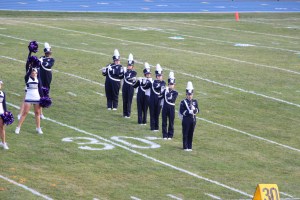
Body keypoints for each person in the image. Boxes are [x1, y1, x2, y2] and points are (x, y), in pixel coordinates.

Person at [15, 68, 44, 134]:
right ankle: (18, 127)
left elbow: (40, 89)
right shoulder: (27, 78)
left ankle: (38, 128)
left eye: (35, 73)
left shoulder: (38, 79)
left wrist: (43, 98)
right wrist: (31, 64)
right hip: (29, 97)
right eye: (32, 73)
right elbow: (27, 74)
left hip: (37, 98)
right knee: (25, 113)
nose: (34, 74)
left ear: (37, 74)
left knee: (37, 113)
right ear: (30, 73)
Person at [144, 64, 166, 131]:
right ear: (156, 76)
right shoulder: (152, 82)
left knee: (157, 113)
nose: (160, 77)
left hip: (159, 99)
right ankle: (152, 127)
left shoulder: (163, 83)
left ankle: (156, 127)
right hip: (152, 99)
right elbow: (147, 87)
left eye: (160, 76)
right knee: (152, 113)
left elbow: (160, 87)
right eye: (158, 76)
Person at [179, 81, 199, 151]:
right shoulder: (183, 102)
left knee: (191, 133)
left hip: (193, 120)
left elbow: (198, 110)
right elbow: (182, 112)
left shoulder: (195, 101)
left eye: (191, 94)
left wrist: (195, 110)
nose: (190, 96)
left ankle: (190, 146)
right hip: (186, 120)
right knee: (185, 133)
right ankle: (185, 147)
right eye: (188, 94)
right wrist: (189, 111)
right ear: (186, 94)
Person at [38, 42, 55, 119]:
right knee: (41, 88)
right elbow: (38, 64)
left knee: (47, 87)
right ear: (45, 52)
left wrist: (42, 62)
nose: (48, 54)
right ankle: (41, 101)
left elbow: (48, 65)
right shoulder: (41, 58)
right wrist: (42, 61)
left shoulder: (52, 59)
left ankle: (46, 100)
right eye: (47, 52)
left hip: (48, 75)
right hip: (41, 74)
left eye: (49, 52)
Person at [161, 72, 178, 140]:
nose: (171, 85)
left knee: (171, 122)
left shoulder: (175, 92)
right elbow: (160, 97)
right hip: (165, 107)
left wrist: (167, 92)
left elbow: (172, 99)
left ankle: (170, 135)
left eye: (172, 84)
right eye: (170, 84)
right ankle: (165, 135)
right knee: (164, 121)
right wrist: (162, 91)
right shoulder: (165, 90)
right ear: (168, 84)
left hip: (171, 108)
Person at [122, 53, 137, 118]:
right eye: (128, 65)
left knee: (129, 100)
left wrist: (126, 74)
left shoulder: (134, 72)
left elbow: (129, 78)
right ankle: (124, 113)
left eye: (130, 65)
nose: (129, 66)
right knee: (124, 100)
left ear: (132, 66)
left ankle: (128, 113)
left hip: (130, 87)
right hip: (125, 86)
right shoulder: (125, 71)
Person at [0, 80, 10, 150]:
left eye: (0, 84)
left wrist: (6, 111)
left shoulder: (3, 93)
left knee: (2, 128)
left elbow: (4, 103)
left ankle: (3, 143)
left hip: (1, 112)